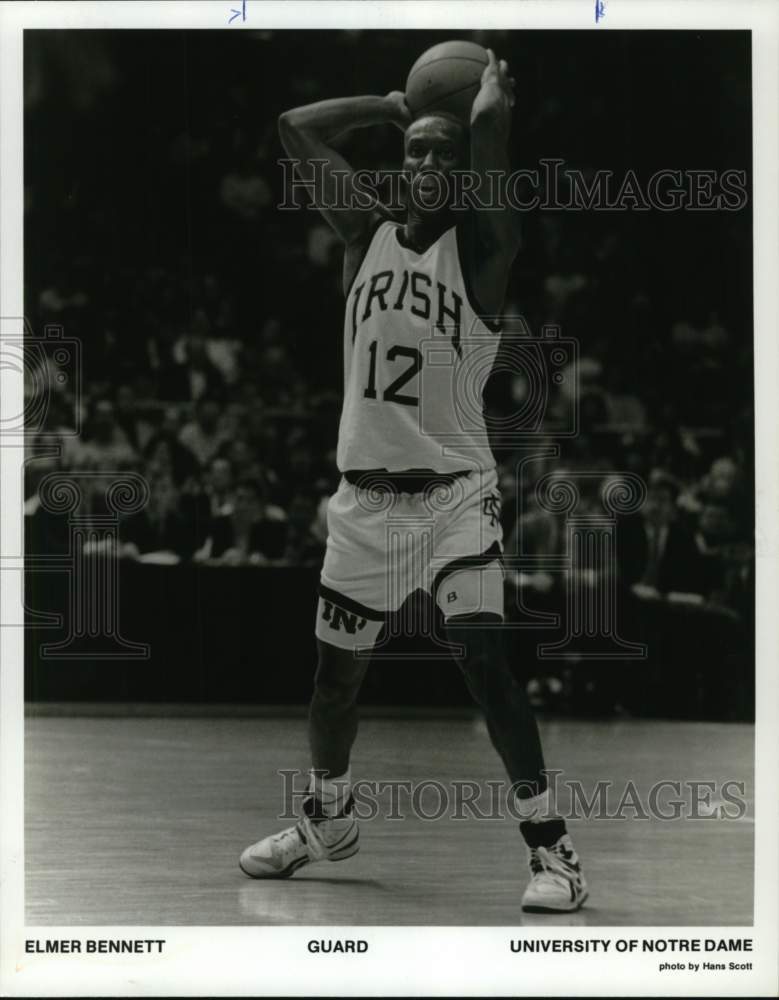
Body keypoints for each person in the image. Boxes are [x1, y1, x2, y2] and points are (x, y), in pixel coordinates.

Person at [240, 49, 588, 913]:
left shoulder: (483, 254)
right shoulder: (364, 238)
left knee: (483, 663)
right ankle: (328, 819)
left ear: (465, 169)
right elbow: (295, 131)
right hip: (362, 504)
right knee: (333, 684)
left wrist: (486, 122)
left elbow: (495, 178)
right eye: (414, 153)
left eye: (444, 154)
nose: (426, 165)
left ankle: (553, 853)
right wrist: (392, 103)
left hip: (453, 497)